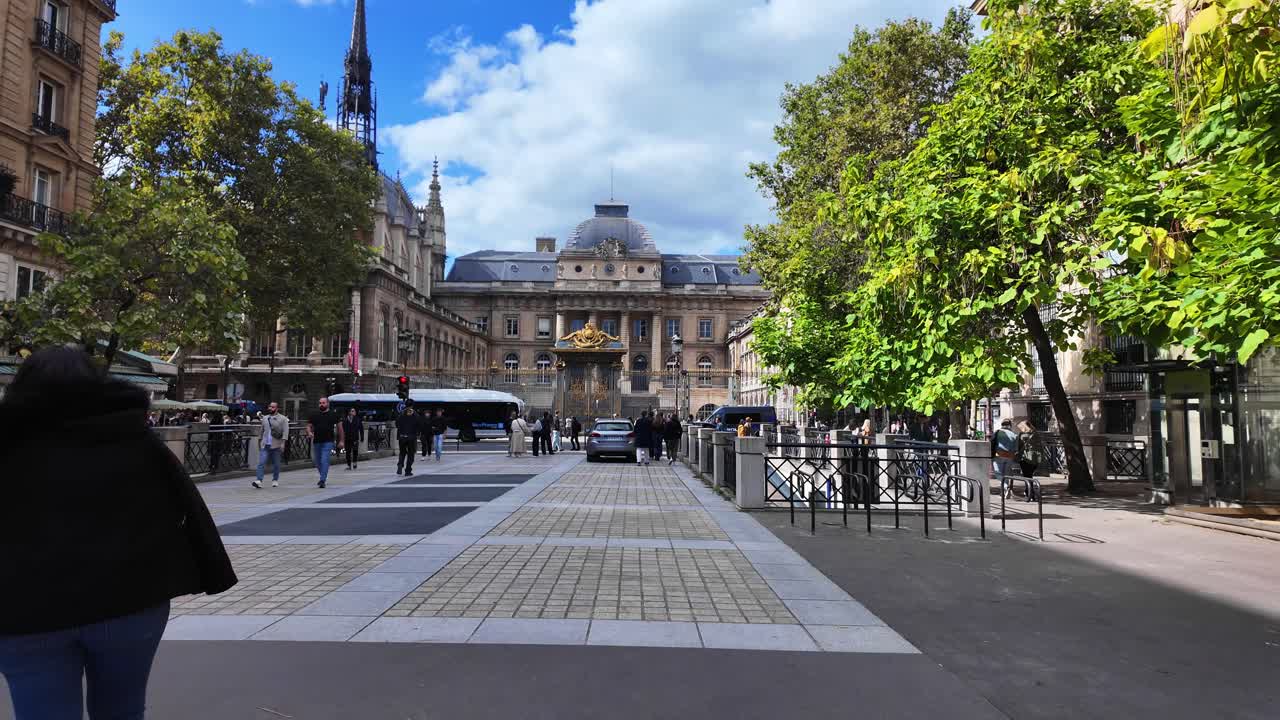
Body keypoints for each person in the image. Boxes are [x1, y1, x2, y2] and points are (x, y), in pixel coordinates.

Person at [0, 347, 237, 720]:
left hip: (24, 614)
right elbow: (183, 508)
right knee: (122, 709)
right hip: (128, 604)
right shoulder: (135, 441)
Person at [307, 397, 343, 489]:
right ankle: (323, 476)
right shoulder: (314, 415)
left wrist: (341, 441)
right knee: (317, 461)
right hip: (316, 441)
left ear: (328, 404)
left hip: (328, 441)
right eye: (320, 403)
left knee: (324, 460)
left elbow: (340, 429)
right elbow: (309, 426)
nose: (321, 404)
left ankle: (322, 479)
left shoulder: (334, 414)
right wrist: (310, 432)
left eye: (323, 403)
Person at [253, 401, 289, 489]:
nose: (271, 408)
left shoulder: (283, 419)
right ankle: (259, 480)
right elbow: (262, 430)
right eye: (270, 407)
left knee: (276, 464)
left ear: (277, 408)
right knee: (261, 463)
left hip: (276, 444)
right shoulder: (265, 418)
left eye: (273, 407)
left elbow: (285, 431)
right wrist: (259, 439)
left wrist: (283, 443)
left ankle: (275, 479)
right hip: (265, 444)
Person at [991, 419, 1019, 499]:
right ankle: (1004, 491)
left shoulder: (998, 432)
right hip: (1010, 456)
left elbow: (992, 443)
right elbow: (1016, 448)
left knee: (999, 473)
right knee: (1006, 474)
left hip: (998, 455)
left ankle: (1006, 489)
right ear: (1010, 425)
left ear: (1002, 424)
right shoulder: (1014, 434)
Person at [1015, 420, 1043, 501]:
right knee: (1030, 476)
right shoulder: (1036, 434)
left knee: (1027, 476)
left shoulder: (1022, 435)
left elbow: (1018, 447)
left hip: (1025, 458)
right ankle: (1029, 493)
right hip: (1035, 458)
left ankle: (1030, 494)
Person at [396, 405, 421, 475]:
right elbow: (419, 424)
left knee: (402, 452)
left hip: (402, 437)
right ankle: (408, 470)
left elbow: (397, 424)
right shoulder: (415, 416)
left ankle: (400, 463)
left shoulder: (401, 415)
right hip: (411, 437)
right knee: (411, 454)